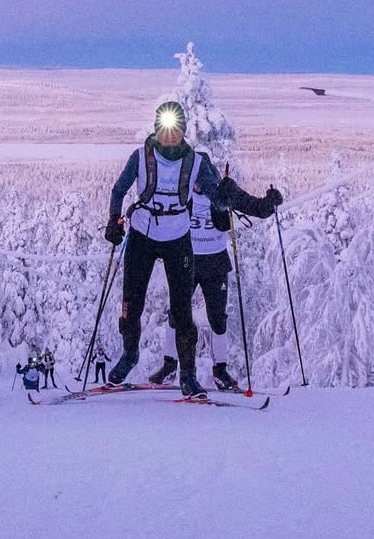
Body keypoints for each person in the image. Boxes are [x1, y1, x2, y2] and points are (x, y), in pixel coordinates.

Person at [103, 100, 271, 397]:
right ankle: (129, 355)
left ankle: (188, 376)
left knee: (182, 311)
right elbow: (119, 190)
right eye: (164, 130)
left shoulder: (195, 163)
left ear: (183, 131)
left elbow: (218, 198)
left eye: (175, 130)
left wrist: (254, 203)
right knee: (131, 304)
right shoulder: (139, 157)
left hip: (177, 238)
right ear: (156, 130)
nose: (169, 136)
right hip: (142, 234)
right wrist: (114, 221)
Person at [148, 169, 281, 390]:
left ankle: (220, 371)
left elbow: (253, 206)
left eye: (203, 179)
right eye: (195, 179)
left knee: (218, 319)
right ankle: (169, 365)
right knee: (176, 314)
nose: (199, 184)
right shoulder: (181, 192)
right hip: (186, 261)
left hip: (215, 263)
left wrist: (270, 203)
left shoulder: (223, 191)